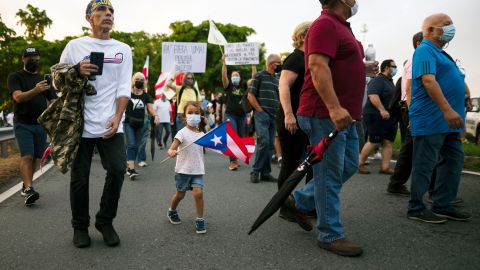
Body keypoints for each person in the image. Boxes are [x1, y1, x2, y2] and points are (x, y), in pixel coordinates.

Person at [292, 0, 379, 256]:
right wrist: (333, 107)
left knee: (349, 165)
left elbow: (335, 62)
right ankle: (330, 234)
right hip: (325, 114)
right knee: (328, 175)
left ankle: (297, 201)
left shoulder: (341, 26)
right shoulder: (324, 25)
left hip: (345, 115)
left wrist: (361, 67)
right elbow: (317, 66)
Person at [59, 0, 133, 248]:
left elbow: (124, 88)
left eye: (111, 11)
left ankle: (105, 220)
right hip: (80, 125)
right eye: (101, 10)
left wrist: (118, 116)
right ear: (89, 17)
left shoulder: (123, 49)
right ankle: (80, 227)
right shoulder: (75, 46)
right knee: (79, 179)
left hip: (111, 124)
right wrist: (76, 70)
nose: (108, 14)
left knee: (117, 169)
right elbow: (57, 80)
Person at [407, 13, 471, 223]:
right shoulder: (425, 49)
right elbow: (428, 81)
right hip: (432, 119)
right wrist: (447, 110)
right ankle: (416, 207)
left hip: (449, 122)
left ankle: (443, 204)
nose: (451, 28)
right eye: (446, 25)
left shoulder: (442, 54)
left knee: (453, 160)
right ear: (431, 30)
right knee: (425, 164)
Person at [7, 47, 57, 206]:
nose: (34, 60)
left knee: (36, 157)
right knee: (27, 156)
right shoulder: (15, 77)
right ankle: (29, 188)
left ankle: (26, 183)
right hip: (23, 123)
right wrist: (36, 90)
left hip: (40, 124)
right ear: (23, 59)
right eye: (30, 58)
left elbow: (53, 100)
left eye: (36, 57)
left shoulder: (44, 79)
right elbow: (18, 97)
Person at [276, 21, 313, 221]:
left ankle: (307, 203)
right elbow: (283, 86)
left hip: (308, 119)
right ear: (303, 36)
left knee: (313, 162)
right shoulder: (295, 59)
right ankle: (284, 206)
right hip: (291, 120)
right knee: (290, 165)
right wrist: (289, 114)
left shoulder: (310, 59)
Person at [386, 32, 423, 196]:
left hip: (412, 108)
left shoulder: (419, 59)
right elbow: (409, 89)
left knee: (411, 146)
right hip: (412, 108)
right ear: (419, 43)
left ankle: (397, 183)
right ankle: (397, 183)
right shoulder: (415, 60)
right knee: (413, 146)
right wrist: (413, 112)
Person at [166, 101, 207, 234]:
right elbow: (171, 149)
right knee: (180, 195)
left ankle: (200, 219)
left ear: (200, 116)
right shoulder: (181, 133)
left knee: (198, 193)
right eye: (190, 113)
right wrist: (172, 152)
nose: (193, 115)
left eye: (196, 113)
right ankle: (172, 211)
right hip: (183, 170)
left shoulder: (202, 134)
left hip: (197, 170)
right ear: (184, 117)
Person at [358, 59, 398, 175]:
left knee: (388, 141)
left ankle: (385, 167)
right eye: (393, 66)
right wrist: (382, 110)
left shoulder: (390, 81)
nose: (395, 69)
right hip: (376, 115)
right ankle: (360, 163)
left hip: (390, 117)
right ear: (386, 67)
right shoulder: (378, 80)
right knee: (374, 141)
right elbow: (372, 95)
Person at [248, 54, 281, 183]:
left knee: (270, 146)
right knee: (264, 142)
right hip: (262, 115)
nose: (280, 65)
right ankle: (255, 171)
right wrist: (260, 110)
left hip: (274, 116)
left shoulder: (277, 78)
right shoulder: (259, 76)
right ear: (272, 64)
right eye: (279, 63)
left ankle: (266, 173)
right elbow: (250, 95)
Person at [124, 72, 156, 178]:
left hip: (140, 123)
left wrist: (156, 116)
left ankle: (129, 167)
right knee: (131, 144)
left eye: (142, 80)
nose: (139, 81)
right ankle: (132, 169)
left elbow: (150, 109)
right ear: (133, 80)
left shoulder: (145, 95)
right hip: (128, 122)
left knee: (136, 146)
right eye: (137, 79)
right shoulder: (127, 93)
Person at [221, 55, 249, 171]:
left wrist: (253, 65)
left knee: (239, 137)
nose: (234, 77)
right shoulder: (229, 86)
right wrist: (224, 63)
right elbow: (223, 77)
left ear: (240, 77)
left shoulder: (244, 87)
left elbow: (254, 77)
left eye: (236, 75)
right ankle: (232, 161)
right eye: (233, 75)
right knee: (232, 136)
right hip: (230, 115)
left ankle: (236, 158)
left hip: (242, 116)